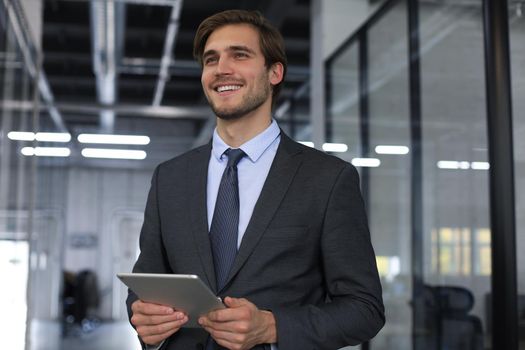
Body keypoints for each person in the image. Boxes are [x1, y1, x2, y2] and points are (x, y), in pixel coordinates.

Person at [126, 9, 384, 350]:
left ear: (274, 72)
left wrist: (273, 327)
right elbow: (146, 284)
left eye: (240, 55)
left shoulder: (327, 179)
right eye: (211, 59)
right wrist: (142, 316)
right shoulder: (170, 178)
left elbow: (364, 309)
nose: (221, 69)